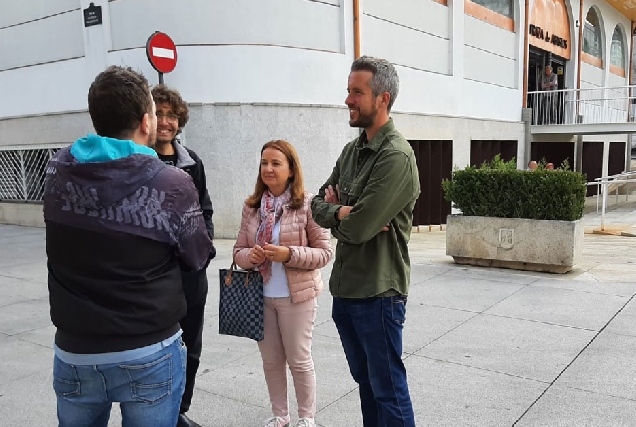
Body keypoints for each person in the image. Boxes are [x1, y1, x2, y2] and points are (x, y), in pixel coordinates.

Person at [43, 66, 213, 427]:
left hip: (77, 350)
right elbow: (197, 255)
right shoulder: (172, 183)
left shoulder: (57, 171)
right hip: (148, 349)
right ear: (145, 121)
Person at [311, 56, 420, 426]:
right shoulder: (352, 151)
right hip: (346, 290)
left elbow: (359, 230)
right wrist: (343, 211)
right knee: (366, 384)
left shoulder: (396, 157)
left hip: (379, 295)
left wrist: (342, 213)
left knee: (388, 389)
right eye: (348, 91)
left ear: (382, 99)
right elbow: (315, 204)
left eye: (357, 92)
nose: (348, 100)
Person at [233, 140, 333, 427]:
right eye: (264, 163)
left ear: (291, 170)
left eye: (276, 163)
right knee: (271, 361)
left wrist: (289, 254)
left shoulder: (307, 205)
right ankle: (281, 416)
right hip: (260, 297)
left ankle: (306, 418)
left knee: (299, 360)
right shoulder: (252, 207)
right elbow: (238, 252)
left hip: (296, 297)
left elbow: (325, 253)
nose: (268, 168)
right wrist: (250, 257)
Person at [151, 84, 216, 427]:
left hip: (191, 274)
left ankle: (178, 410)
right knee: (158, 348)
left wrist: (204, 251)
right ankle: (157, 411)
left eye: (171, 115)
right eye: (159, 113)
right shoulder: (138, 159)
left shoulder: (192, 162)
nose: (165, 121)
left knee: (190, 345)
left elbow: (205, 210)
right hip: (156, 275)